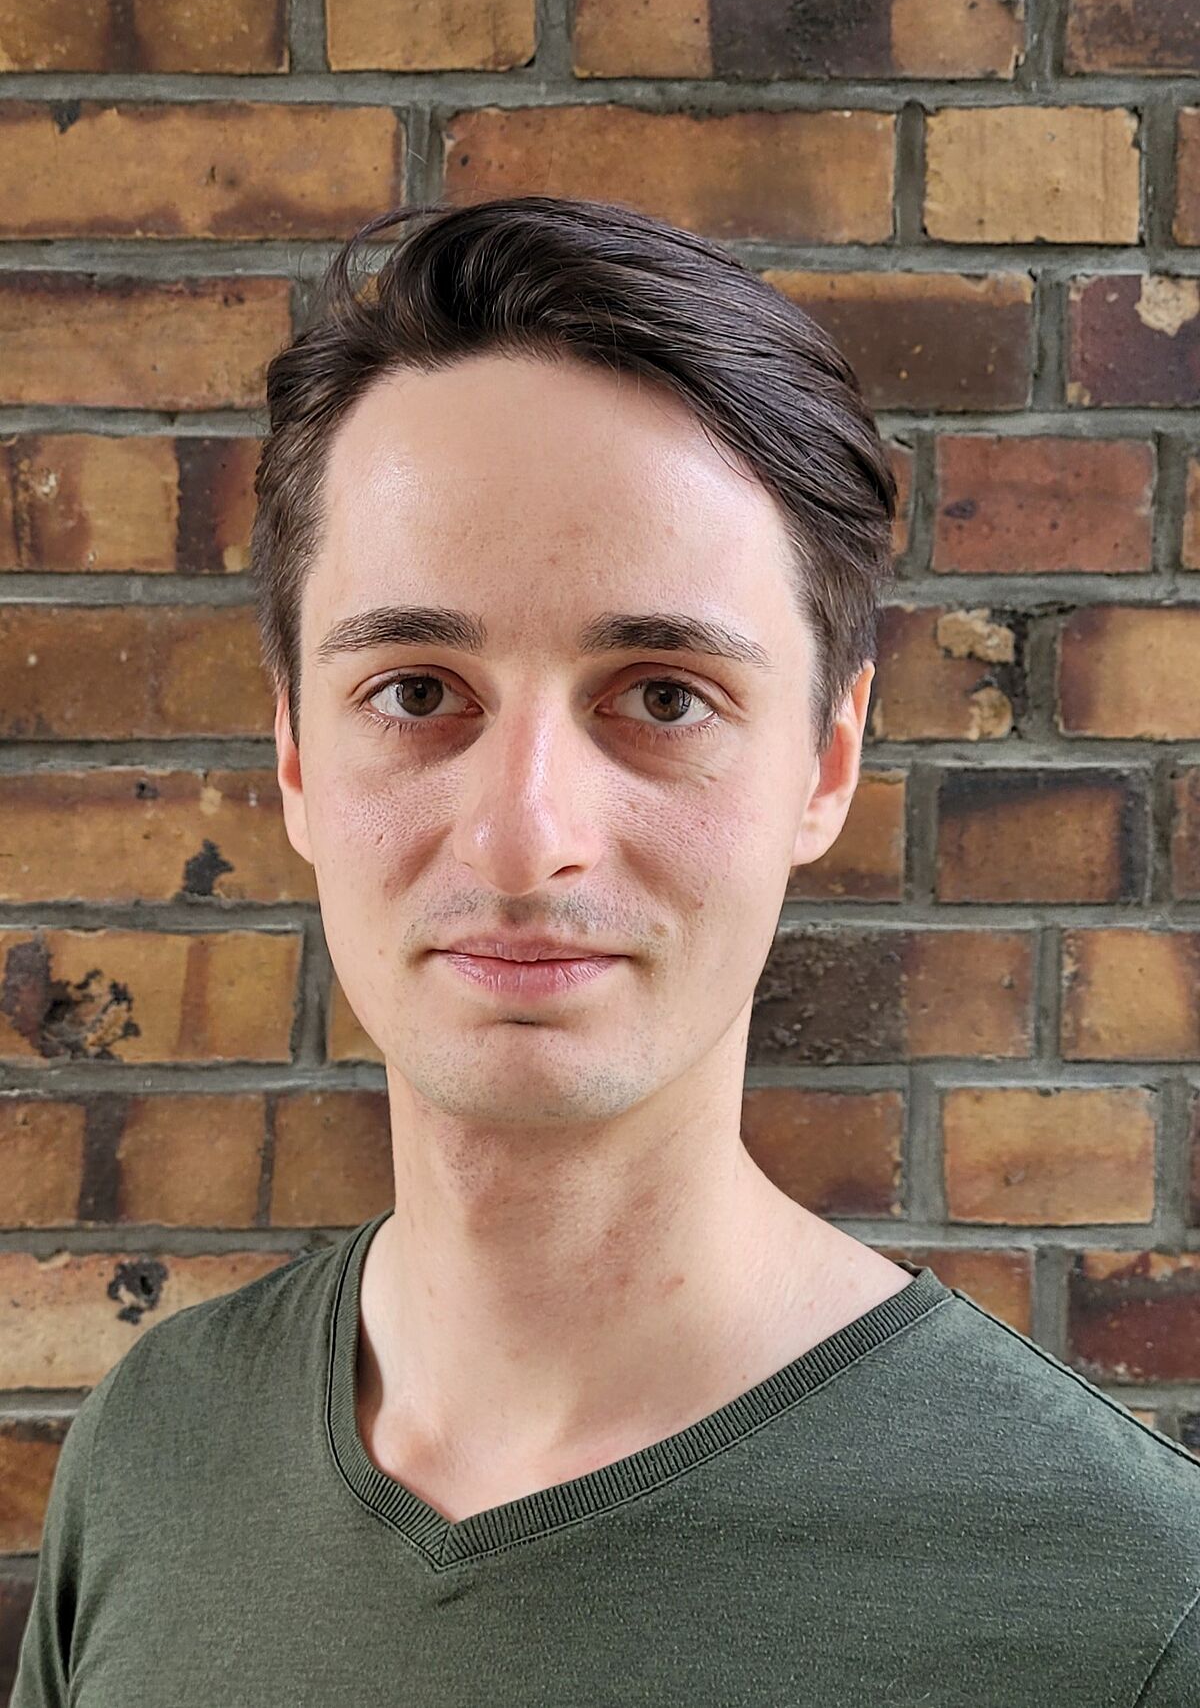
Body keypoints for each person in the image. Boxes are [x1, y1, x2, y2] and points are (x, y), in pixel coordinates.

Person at [13, 195, 1198, 1707]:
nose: (526, 840)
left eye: (660, 697)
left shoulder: (1127, 1601)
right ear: (296, 754)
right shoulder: (157, 1452)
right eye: (417, 691)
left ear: (827, 764)